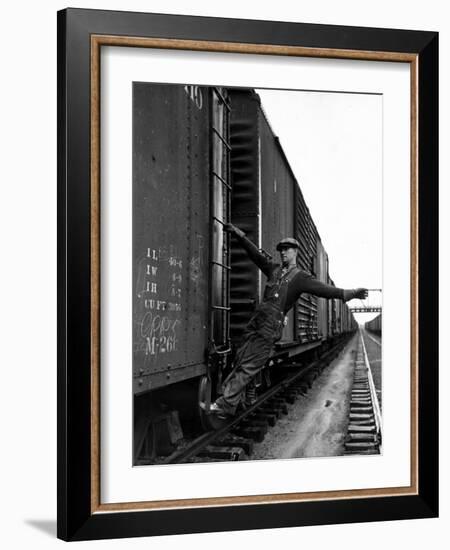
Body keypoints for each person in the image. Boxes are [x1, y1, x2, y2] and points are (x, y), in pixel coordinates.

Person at [207, 222, 368, 418]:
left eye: (287, 250)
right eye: (281, 250)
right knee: (241, 357)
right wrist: (240, 235)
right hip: (257, 320)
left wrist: (351, 293)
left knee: (250, 363)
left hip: (270, 325)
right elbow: (255, 255)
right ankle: (248, 397)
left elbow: (326, 290)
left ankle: (225, 404)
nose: (283, 253)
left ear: (295, 253)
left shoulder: (300, 278)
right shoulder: (274, 269)